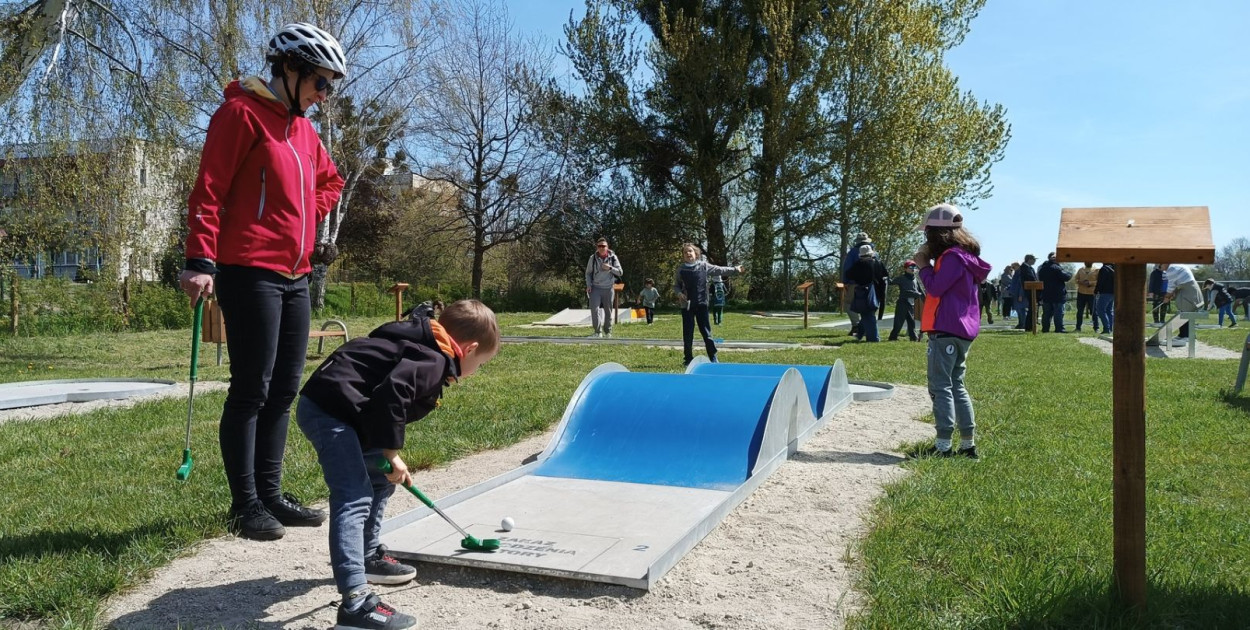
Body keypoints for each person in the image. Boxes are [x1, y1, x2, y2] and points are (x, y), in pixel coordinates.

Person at [178, 22, 347, 540]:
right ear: (290, 69)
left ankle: (271, 494)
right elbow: (208, 191)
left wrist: (305, 214)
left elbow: (331, 181)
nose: (323, 95)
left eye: (330, 87)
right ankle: (245, 504)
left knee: (284, 389)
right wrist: (200, 261)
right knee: (251, 389)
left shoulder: (304, 130)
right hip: (249, 270)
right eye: (320, 82)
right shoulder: (239, 115)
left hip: (296, 276)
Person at [295, 299, 499, 630]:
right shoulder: (433, 359)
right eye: (481, 363)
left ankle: (368, 555)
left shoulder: (422, 340)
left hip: (347, 409)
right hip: (331, 412)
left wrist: (385, 458)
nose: (477, 370)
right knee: (354, 496)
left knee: (379, 480)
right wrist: (391, 452)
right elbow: (392, 395)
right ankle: (356, 605)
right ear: (470, 348)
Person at [913, 204, 991, 459]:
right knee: (956, 385)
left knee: (941, 387)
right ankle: (968, 444)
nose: (926, 240)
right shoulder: (967, 259)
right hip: (962, 330)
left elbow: (935, 288)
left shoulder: (951, 258)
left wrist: (923, 265)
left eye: (927, 235)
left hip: (946, 329)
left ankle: (943, 445)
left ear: (937, 235)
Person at [674, 243, 742, 365]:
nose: (688, 254)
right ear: (683, 256)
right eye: (685, 252)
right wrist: (679, 294)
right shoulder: (681, 270)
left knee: (706, 333)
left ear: (696, 253)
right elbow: (676, 286)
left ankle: (713, 357)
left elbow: (719, 269)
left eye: (690, 251)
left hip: (702, 304)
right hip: (687, 306)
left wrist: (735, 269)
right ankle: (688, 358)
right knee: (687, 333)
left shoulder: (704, 266)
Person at [847, 244, 889, 342]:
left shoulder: (858, 265)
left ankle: (874, 338)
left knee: (868, 315)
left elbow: (848, 274)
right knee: (868, 314)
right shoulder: (878, 263)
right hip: (877, 293)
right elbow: (885, 275)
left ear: (860, 255)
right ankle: (859, 335)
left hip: (864, 294)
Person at [584, 237, 623, 338]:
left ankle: (608, 331)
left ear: (607, 247)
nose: (601, 248)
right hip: (595, 287)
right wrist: (588, 285)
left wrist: (610, 268)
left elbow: (620, 272)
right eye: (599, 246)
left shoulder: (613, 257)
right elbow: (588, 273)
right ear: (597, 247)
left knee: (608, 311)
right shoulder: (592, 258)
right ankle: (597, 332)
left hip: (609, 288)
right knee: (595, 310)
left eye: (603, 246)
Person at [1161, 263, 1204, 343]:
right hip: (1187, 288)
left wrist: (1166, 297)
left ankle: (1187, 336)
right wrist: (1173, 293)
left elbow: (1170, 287)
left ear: (1165, 263)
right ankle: (1182, 335)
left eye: (1161, 266)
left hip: (1189, 290)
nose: (1161, 268)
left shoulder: (1171, 269)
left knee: (1185, 313)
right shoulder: (1177, 266)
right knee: (1183, 312)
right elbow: (1177, 284)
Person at [840, 232, 872, 336]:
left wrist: (845, 282)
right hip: (871, 284)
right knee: (868, 305)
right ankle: (866, 327)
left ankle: (856, 325)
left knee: (848, 304)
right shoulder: (874, 252)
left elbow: (847, 268)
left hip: (855, 284)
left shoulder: (853, 252)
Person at [887, 260, 923, 341]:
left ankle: (913, 337)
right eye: (910, 267)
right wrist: (886, 276)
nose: (913, 269)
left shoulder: (915, 279)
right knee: (898, 322)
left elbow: (920, 291)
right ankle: (893, 337)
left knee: (911, 322)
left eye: (914, 267)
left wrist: (924, 299)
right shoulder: (902, 278)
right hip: (902, 303)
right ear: (905, 269)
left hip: (911, 303)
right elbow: (891, 282)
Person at [1037, 252, 1072, 333]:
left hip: (1046, 294)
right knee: (1058, 313)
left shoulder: (1042, 268)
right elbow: (1066, 277)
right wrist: (1069, 273)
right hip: (1058, 294)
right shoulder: (1056, 268)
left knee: (1046, 313)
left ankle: (1045, 329)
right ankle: (1059, 329)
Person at [1013, 255, 1038, 332]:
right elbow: (1020, 283)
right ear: (1029, 259)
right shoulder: (1024, 268)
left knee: (1031, 309)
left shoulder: (1029, 268)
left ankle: (1029, 325)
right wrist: (1020, 294)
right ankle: (1027, 326)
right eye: (1034, 259)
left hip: (1030, 291)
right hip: (1027, 291)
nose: (1035, 261)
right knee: (1027, 309)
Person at [1073, 262, 1099, 333]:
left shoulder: (1096, 270)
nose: (1088, 261)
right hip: (1081, 293)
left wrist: (1090, 283)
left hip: (1092, 293)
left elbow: (1099, 281)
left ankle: (1096, 328)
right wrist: (1081, 282)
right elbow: (1075, 279)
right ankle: (1078, 328)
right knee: (1080, 311)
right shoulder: (1080, 270)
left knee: (1094, 312)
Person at [1094, 263, 1115, 335]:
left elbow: (1100, 281)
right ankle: (1110, 328)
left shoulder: (1104, 269)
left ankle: (1106, 328)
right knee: (1109, 311)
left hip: (1105, 292)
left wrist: (1096, 291)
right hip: (1113, 293)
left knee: (1100, 309)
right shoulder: (1114, 268)